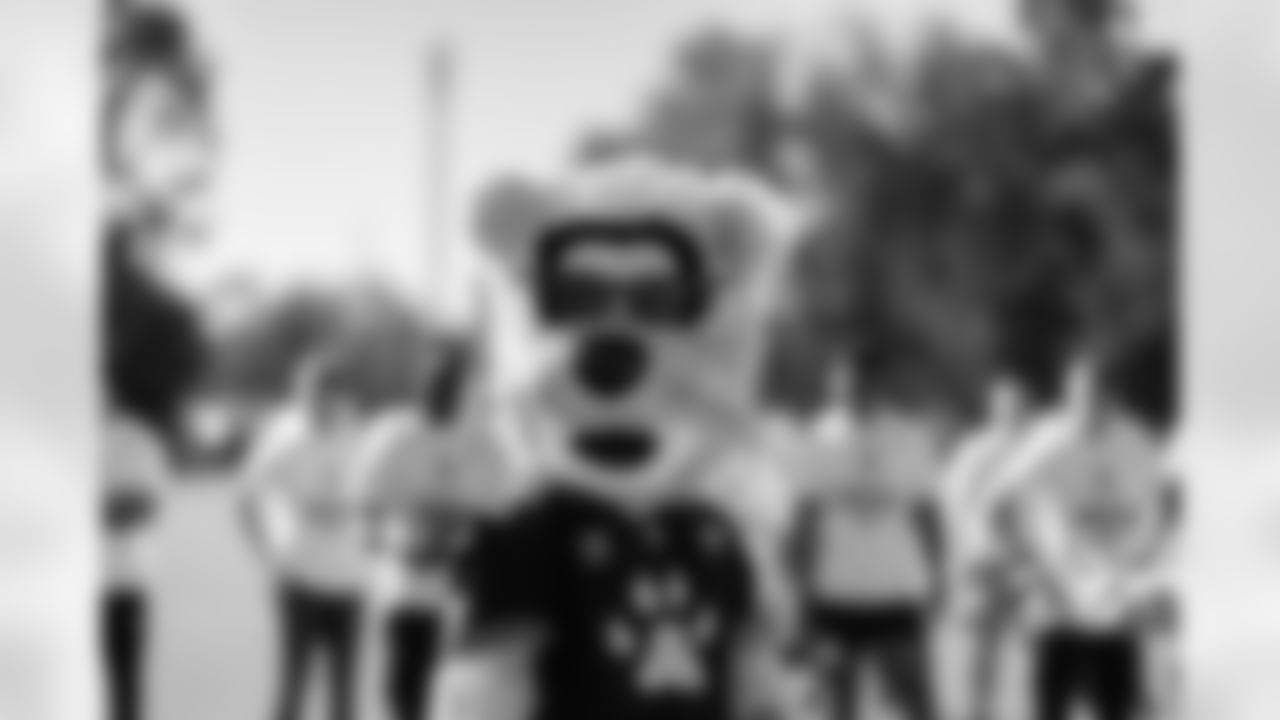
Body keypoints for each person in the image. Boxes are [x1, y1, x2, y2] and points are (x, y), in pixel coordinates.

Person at [996, 358, 1177, 720]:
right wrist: (1026, 567)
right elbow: (998, 506)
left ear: (1113, 397)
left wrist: (1150, 561)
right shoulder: (1047, 441)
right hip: (1057, 602)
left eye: (1093, 394)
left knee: (1116, 708)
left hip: (1115, 601)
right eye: (1075, 395)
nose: (1083, 404)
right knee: (1051, 708)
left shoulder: (1137, 441)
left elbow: (1167, 501)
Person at [352, 340, 516, 720]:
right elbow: (366, 505)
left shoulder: (484, 442)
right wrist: (392, 544)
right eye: (436, 381)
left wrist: (465, 528)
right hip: (409, 581)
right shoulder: (394, 436)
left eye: (453, 382)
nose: (443, 390)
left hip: (467, 587)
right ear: (422, 384)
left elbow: (504, 508)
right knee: (407, 680)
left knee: (464, 686)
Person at [787, 390, 943, 720]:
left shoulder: (909, 436)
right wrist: (800, 601)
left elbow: (928, 516)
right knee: (839, 706)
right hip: (834, 596)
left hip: (894, 594)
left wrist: (939, 578)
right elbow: (803, 524)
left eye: (867, 378)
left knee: (918, 702)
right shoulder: (819, 437)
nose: (856, 387)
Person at [240, 360, 371, 720]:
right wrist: (268, 557)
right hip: (298, 581)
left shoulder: (360, 437)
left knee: (344, 700)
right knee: (292, 693)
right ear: (301, 395)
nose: (319, 402)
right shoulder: (284, 437)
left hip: (349, 583)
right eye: (310, 393)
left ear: (342, 396)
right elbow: (245, 500)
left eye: (328, 393)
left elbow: (376, 500)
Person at [937, 374, 1041, 720]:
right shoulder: (974, 451)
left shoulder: (1043, 450)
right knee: (981, 655)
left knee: (1041, 657)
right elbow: (952, 506)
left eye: (1020, 406)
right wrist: (965, 555)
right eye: (1006, 406)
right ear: (993, 410)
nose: (1013, 413)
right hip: (986, 566)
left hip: (1034, 568)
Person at [102, 408, 171, 720]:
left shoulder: (136, 442)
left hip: (122, 580)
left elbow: (147, 503)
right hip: (59, 586)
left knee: (124, 678)